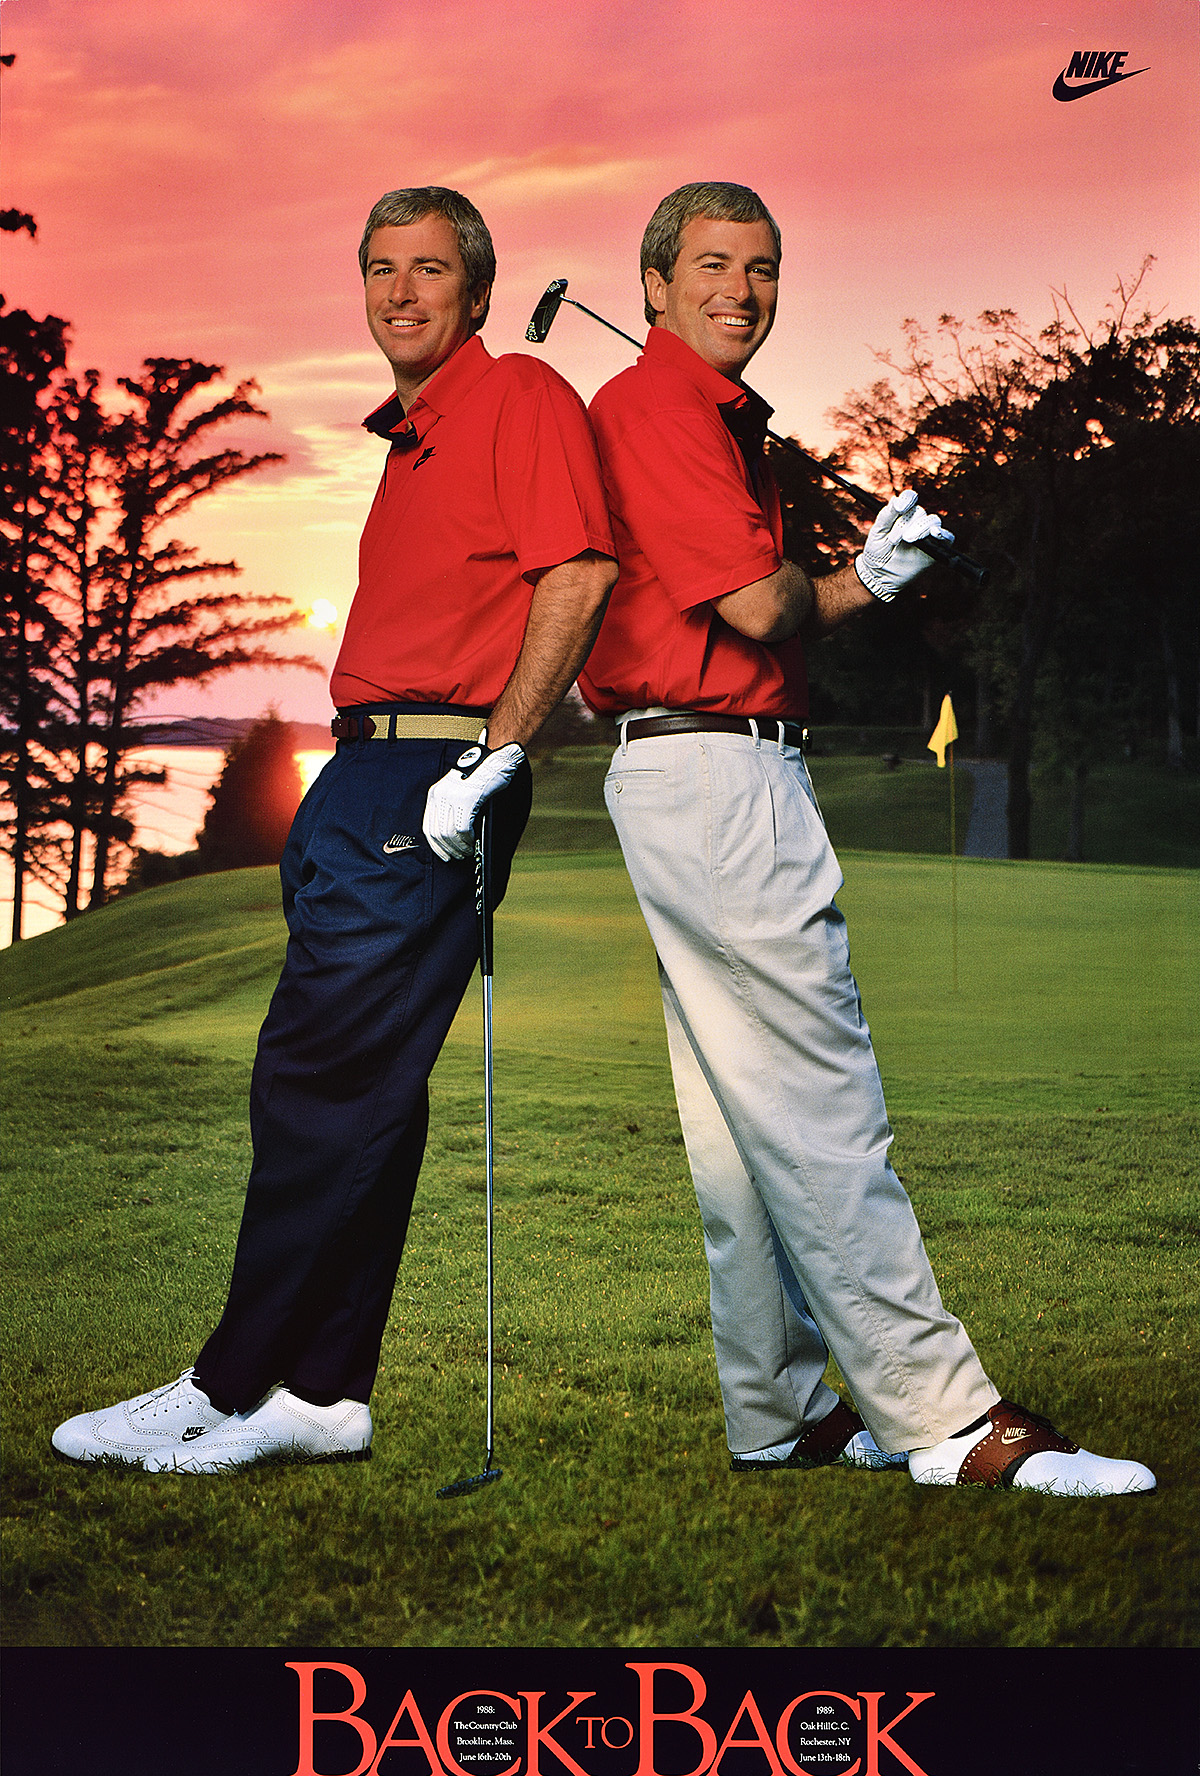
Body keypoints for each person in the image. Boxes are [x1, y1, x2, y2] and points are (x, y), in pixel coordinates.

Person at [578, 181, 1154, 1497]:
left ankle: (774, 1406)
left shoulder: (698, 418)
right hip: (720, 778)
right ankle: (943, 1418)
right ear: (654, 283)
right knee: (824, 1103)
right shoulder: (662, 407)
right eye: (713, 264)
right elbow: (763, 606)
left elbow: (756, 596)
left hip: (684, 771)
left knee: (736, 1121)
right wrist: (872, 575)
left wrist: (864, 572)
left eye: (765, 266)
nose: (743, 286)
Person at [53, 187, 617, 1474]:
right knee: (366, 1089)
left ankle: (226, 1384)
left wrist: (492, 760)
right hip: (364, 782)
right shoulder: (408, 437)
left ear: (478, 290)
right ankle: (320, 1393)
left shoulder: (517, 395)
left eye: (429, 270)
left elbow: (578, 572)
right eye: (379, 270)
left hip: (431, 778)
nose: (400, 292)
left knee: (313, 1082)